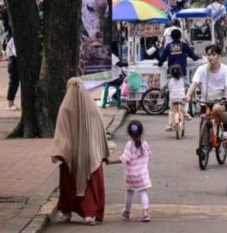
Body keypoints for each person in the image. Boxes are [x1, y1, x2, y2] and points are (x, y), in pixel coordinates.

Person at [52, 78, 111, 225]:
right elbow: (100, 131)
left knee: (69, 185)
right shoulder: (93, 108)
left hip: (73, 157)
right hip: (92, 155)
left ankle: (66, 212)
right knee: (91, 184)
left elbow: (62, 133)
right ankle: (90, 214)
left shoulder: (65, 108)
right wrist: (101, 150)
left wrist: (58, 151)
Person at [184, 44, 227, 137]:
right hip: (206, 100)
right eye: (208, 55)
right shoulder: (201, 69)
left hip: (221, 100)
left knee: (216, 109)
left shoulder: (226, 70)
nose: (210, 57)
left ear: (219, 55)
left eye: (213, 55)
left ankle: (226, 124)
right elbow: (194, 83)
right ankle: (204, 144)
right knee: (202, 119)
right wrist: (188, 95)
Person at [118, 120, 152, 222]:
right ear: (141, 132)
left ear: (129, 133)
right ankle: (145, 213)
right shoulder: (145, 144)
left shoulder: (129, 144)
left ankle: (127, 212)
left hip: (131, 174)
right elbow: (149, 154)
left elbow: (125, 158)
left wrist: (110, 161)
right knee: (143, 193)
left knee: (129, 192)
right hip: (142, 174)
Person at [167, 65, 189, 130]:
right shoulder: (183, 80)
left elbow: (163, 88)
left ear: (171, 73)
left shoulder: (169, 81)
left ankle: (170, 124)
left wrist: (163, 92)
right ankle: (185, 113)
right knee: (185, 104)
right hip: (182, 99)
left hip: (173, 99)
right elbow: (189, 85)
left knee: (171, 111)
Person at [5, 32, 20, 111]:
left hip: (13, 60)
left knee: (15, 83)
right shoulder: (15, 39)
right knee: (14, 82)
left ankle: (11, 102)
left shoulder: (12, 38)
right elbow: (14, 52)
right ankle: (10, 103)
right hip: (14, 60)